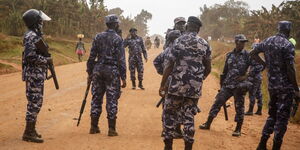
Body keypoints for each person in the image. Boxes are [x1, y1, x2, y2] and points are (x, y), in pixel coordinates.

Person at [159, 16, 211, 150]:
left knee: (169, 114)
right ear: (198, 29)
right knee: (189, 117)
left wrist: (163, 84)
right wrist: (199, 79)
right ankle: (188, 147)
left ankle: (168, 146)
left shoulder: (178, 41)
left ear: (187, 27)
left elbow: (169, 65)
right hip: (193, 90)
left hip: (176, 87)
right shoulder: (204, 43)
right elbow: (208, 67)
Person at [251, 21, 300, 150]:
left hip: (272, 86)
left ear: (278, 29)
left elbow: (252, 53)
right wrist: (296, 88)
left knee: (272, 115)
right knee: (282, 119)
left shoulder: (268, 41)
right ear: (288, 31)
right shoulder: (288, 44)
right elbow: (290, 68)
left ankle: (262, 144)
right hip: (285, 88)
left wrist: (265, 64)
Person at [199, 34, 254, 137]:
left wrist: (246, 77)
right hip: (228, 85)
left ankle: (238, 129)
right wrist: (221, 85)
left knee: (239, 107)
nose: (243, 44)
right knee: (217, 102)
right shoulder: (229, 55)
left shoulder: (248, 55)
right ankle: (208, 123)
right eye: (241, 42)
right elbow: (225, 71)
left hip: (239, 86)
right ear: (236, 42)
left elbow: (256, 68)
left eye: (244, 42)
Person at [86, 14, 126, 136]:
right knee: (112, 99)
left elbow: (92, 56)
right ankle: (111, 129)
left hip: (98, 70)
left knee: (96, 98)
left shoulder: (98, 37)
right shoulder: (118, 39)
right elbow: (121, 60)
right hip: (112, 71)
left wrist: (90, 72)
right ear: (115, 24)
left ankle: (93, 127)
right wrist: (123, 77)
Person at [21, 9, 52, 143]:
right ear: (35, 22)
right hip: (33, 75)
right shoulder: (31, 36)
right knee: (34, 102)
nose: (42, 24)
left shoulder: (34, 35)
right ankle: (28, 132)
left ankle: (31, 130)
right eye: (40, 21)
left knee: (36, 102)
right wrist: (46, 60)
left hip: (36, 75)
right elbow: (30, 57)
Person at [153, 30, 183, 138]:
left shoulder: (166, 51)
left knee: (166, 106)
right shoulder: (182, 50)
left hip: (167, 81)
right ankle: (178, 130)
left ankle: (165, 130)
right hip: (179, 81)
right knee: (179, 105)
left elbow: (156, 61)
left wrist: (163, 73)